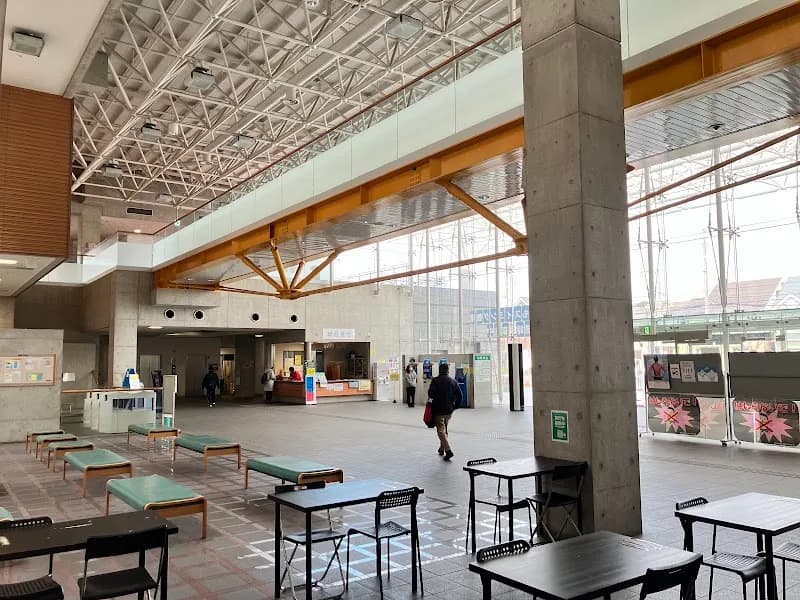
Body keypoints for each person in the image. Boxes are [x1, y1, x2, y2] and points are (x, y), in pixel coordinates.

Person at [427, 363, 462, 461]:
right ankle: (441, 448)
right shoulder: (453, 381)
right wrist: (455, 406)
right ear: (448, 370)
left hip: (438, 410)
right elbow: (460, 396)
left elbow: (430, 394)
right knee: (445, 428)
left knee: (440, 430)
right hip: (449, 410)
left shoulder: (435, 381)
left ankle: (448, 450)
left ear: (439, 370)